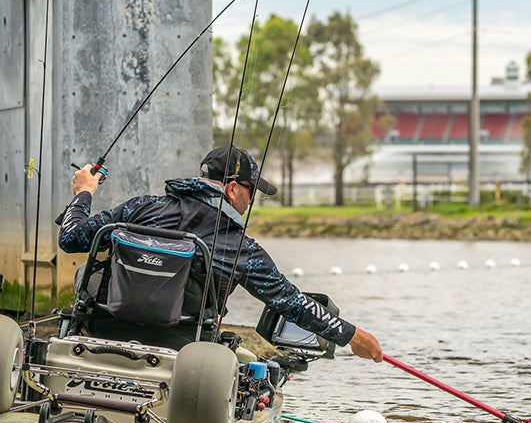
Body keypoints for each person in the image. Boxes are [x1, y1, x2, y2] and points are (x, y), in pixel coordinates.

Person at [58, 145, 383, 363]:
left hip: (100, 331)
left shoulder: (142, 207)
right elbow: (292, 303)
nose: (252, 200)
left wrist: (84, 193)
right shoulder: (240, 248)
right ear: (231, 189)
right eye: (251, 191)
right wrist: (352, 335)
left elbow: (71, 237)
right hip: (184, 353)